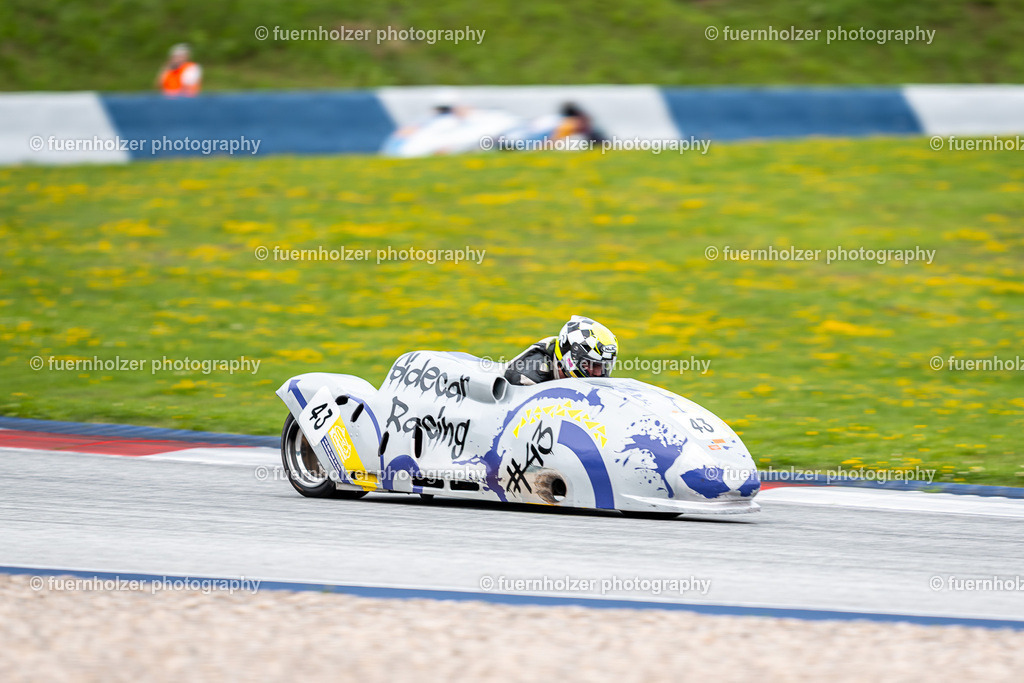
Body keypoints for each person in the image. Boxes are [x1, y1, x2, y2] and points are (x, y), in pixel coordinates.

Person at [504, 316, 618, 386]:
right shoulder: (527, 378)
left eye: (603, 366)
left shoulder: (596, 376)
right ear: (569, 356)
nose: (598, 373)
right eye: (592, 364)